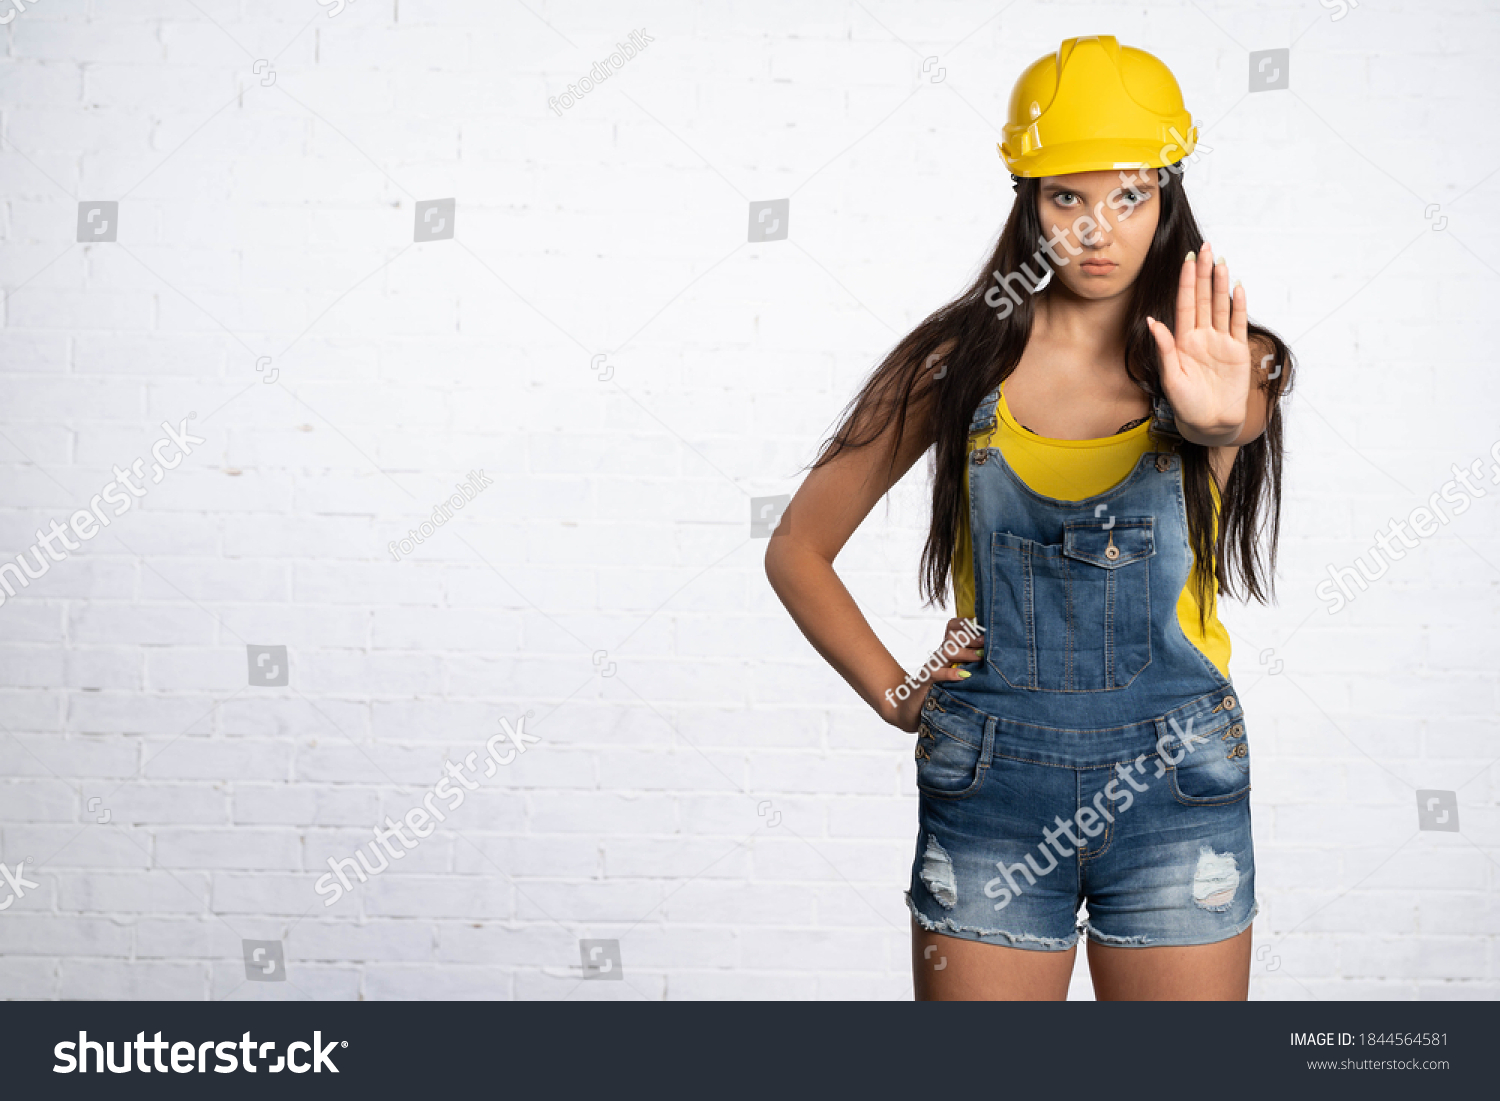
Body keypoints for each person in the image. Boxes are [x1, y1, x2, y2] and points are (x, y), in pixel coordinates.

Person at [764, 35, 1295, 1000]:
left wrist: (1215, 419)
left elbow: (1234, 411)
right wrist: (899, 694)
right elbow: (799, 547)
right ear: (1026, 200)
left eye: (1129, 194)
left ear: (1169, 193)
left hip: (1177, 785)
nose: (1098, 229)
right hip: (992, 786)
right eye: (1067, 197)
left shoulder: (1226, 354)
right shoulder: (953, 365)